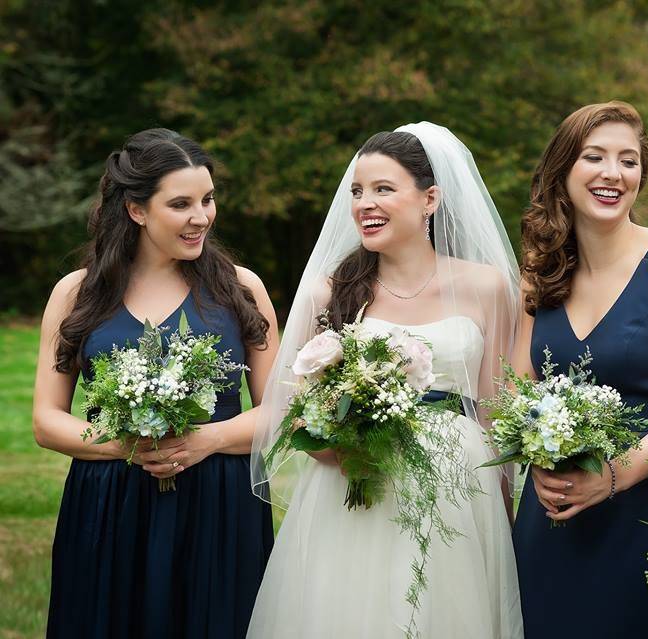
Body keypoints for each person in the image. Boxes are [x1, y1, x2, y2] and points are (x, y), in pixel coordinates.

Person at [248, 123, 523, 638]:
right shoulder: (326, 295)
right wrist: (330, 449)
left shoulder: (486, 287)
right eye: (357, 191)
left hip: (458, 487)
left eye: (383, 189)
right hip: (354, 483)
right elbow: (289, 408)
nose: (364, 204)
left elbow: (494, 412)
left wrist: (503, 516)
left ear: (429, 199)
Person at [33, 128, 278, 638]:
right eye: (182, 203)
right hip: (109, 503)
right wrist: (127, 445)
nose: (202, 217)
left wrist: (203, 440)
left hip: (220, 504)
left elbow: (280, 409)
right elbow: (47, 420)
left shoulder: (241, 288)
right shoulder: (76, 293)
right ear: (136, 210)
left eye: (208, 200)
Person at [511, 101, 648, 638]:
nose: (613, 173)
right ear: (563, 171)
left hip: (644, 516)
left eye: (628, 161)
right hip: (552, 512)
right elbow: (516, 393)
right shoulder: (539, 272)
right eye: (595, 157)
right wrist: (538, 464)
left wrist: (611, 477)